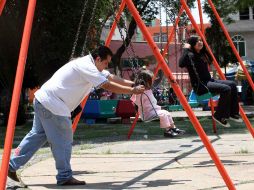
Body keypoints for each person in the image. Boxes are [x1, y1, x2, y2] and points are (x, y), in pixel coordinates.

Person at [8, 46, 145, 186]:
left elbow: (110, 77)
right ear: (98, 59)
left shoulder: (89, 64)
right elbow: (107, 85)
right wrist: (132, 91)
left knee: (37, 135)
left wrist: (133, 83)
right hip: (54, 105)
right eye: (106, 63)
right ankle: (64, 176)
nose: (107, 66)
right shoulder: (87, 67)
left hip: (43, 100)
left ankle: (11, 166)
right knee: (63, 140)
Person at [179, 35, 242, 127]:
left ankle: (233, 113)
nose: (200, 42)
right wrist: (186, 49)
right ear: (192, 44)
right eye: (197, 41)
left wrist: (204, 47)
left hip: (209, 81)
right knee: (226, 89)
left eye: (201, 40)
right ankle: (219, 115)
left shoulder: (201, 54)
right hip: (201, 85)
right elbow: (181, 64)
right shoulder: (190, 55)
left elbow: (210, 58)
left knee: (232, 84)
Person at [131, 69, 185, 138]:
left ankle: (173, 128)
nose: (152, 83)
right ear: (146, 82)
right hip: (147, 114)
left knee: (167, 113)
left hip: (154, 111)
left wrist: (160, 70)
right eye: (151, 81)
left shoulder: (149, 90)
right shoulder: (140, 93)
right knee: (163, 114)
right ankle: (167, 131)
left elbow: (157, 81)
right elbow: (135, 100)